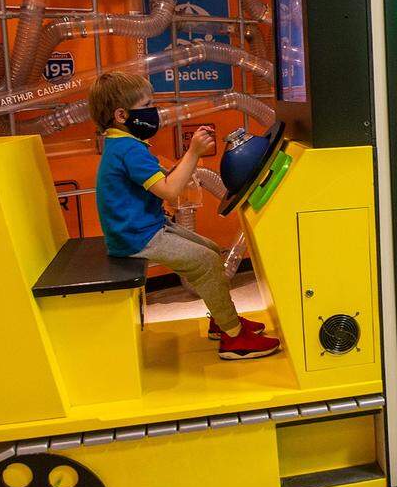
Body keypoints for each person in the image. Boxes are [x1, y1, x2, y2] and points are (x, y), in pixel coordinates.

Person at [89, 71, 281, 360]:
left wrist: (185, 162)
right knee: (206, 262)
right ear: (121, 115)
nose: (154, 111)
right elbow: (169, 191)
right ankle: (234, 339)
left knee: (212, 250)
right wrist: (194, 152)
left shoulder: (122, 143)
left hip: (145, 227)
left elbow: (156, 180)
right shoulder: (128, 149)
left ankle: (223, 320)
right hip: (136, 238)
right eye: (147, 105)